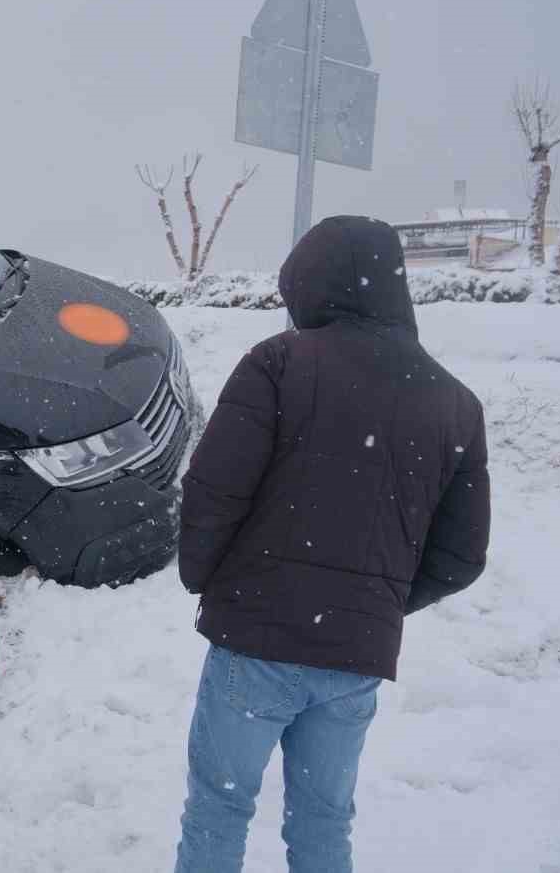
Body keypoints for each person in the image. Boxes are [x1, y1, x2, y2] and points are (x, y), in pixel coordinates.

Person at [172, 216, 492, 872]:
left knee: (219, 808)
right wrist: (371, 602)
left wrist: (204, 576)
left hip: (253, 641)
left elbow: (212, 489)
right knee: (323, 821)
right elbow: (461, 556)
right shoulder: (456, 404)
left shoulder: (280, 362)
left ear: (314, 288)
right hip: (354, 658)